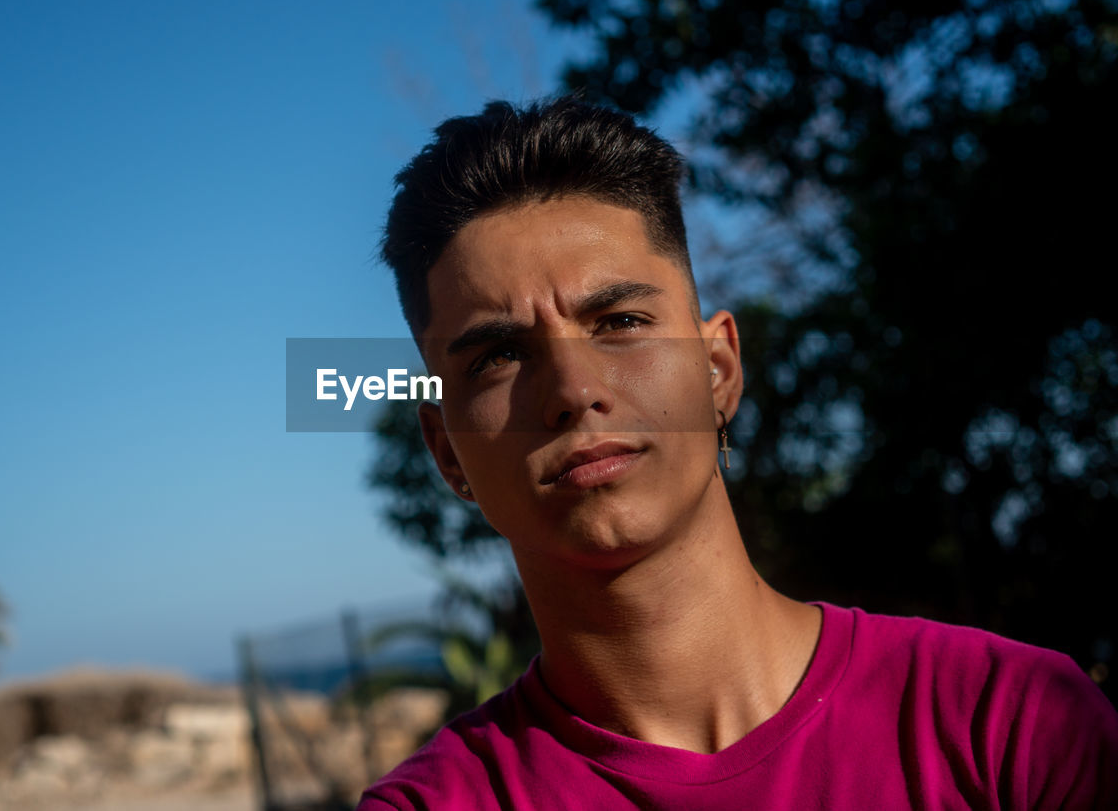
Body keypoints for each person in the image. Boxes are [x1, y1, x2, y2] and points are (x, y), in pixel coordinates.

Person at [357, 97, 1118, 810]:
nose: (572, 389)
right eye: (498, 356)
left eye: (620, 321)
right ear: (445, 449)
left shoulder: (1008, 723)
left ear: (718, 370)